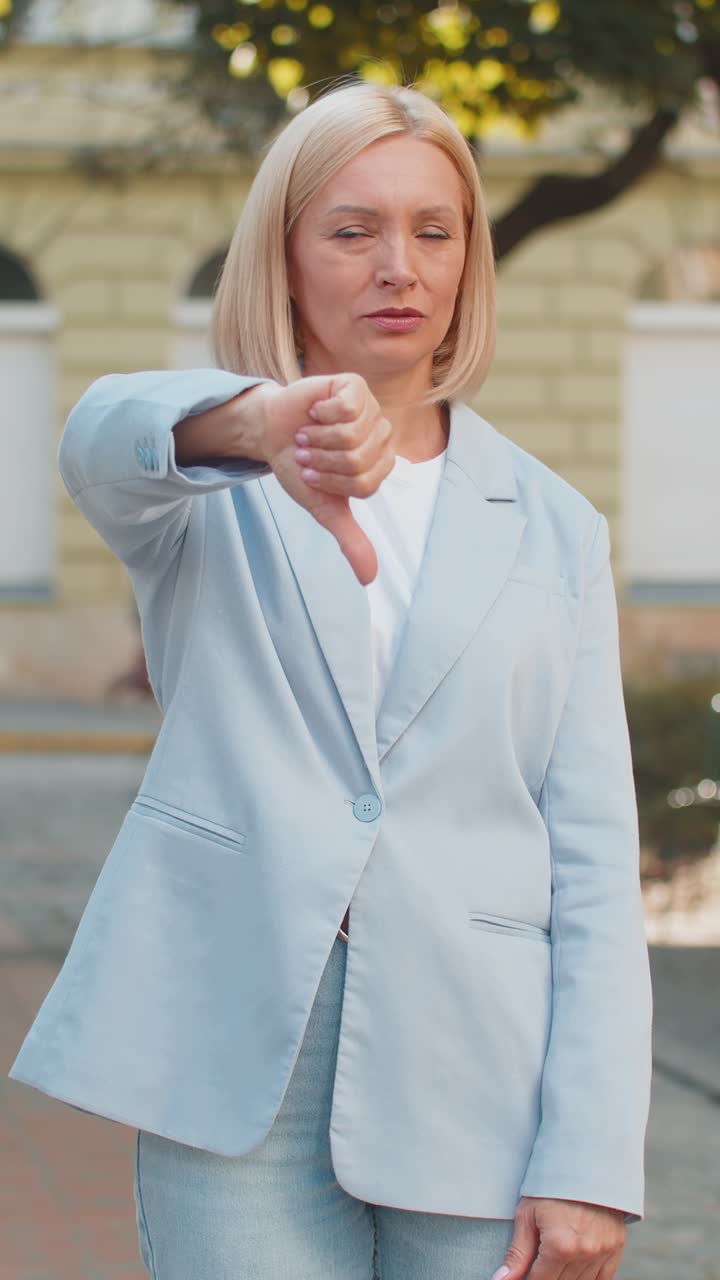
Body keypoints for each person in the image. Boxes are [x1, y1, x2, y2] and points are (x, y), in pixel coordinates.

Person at [9, 80, 653, 1280]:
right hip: (233, 1062)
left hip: (480, 1065)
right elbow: (97, 436)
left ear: (467, 259)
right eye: (353, 230)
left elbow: (595, 857)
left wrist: (592, 1155)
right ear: (286, 257)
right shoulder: (207, 482)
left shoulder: (556, 526)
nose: (398, 265)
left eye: (433, 230)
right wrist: (259, 426)